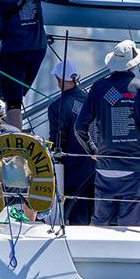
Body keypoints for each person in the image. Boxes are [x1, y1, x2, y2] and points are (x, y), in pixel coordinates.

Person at [74, 40, 140, 226]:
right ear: (134, 63)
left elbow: (79, 127)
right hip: (135, 170)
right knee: (130, 227)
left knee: (101, 226)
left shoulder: (98, 87)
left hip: (105, 166)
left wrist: (93, 151)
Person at [0, 0, 70, 129]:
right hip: (38, 49)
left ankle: (13, 143)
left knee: (13, 102)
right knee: (18, 95)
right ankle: (13, 132)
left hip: (14, 52)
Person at [47, 60, 96, 225]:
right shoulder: (92, 101)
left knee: (76, 223)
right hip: (97, 170)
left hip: (72, 173)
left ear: (59, 80)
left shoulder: (56, 107)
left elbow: (57, 140)